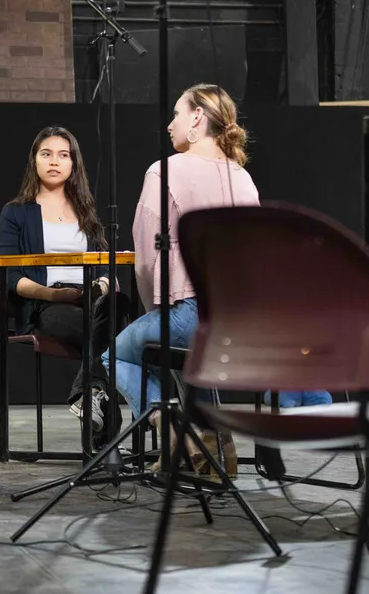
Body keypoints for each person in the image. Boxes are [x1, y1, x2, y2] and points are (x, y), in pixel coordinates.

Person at [104, 84, 259, 477]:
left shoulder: (164, 171)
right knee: (186, 364)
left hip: (192, 313)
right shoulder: (243, 178)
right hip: (241, 323)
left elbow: (145, 261)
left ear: (196, 119)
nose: (169, 123)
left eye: (176, 113)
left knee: (115, 356)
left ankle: (175, 430)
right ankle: (214, 450)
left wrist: (153, 312)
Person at [0, 126, 131, 449]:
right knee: (115, 335)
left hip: (91, 300)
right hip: (46, 304)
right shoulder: (16, 213)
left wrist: (98, 287)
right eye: (46, 154)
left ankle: (86, 396)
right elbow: (11, 278)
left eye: (63, 155)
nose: (54, 161)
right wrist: (54, 294)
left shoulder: (86, 212)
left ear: (74, 164)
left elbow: (105, 270)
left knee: (119, 305)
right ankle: (103, 446)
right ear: (35, 161)